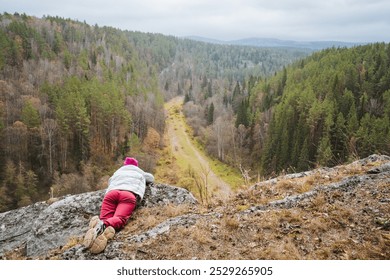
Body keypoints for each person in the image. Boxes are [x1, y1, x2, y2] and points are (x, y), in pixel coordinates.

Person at [83, 156, 154, 254]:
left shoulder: (118, 172)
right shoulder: (139, 172)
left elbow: (110, 181)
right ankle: (103, 226)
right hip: (128, 195)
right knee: (119, 219)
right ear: (136, 166)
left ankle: (99, 226)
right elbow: (151, 178)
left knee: (105, 217)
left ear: (125, 165)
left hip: (111, 193)